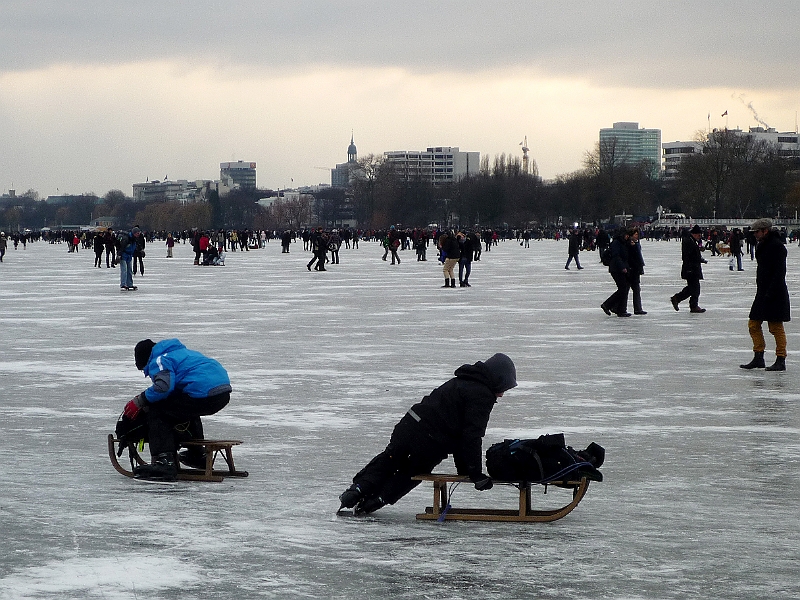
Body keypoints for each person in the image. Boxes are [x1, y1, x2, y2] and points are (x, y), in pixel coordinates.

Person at [338, 353, 517, 515]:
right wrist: (476, 474)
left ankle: (356, 490)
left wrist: (466, 470)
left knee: (390, 458)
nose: (501, 394)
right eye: (504, 388)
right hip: (430, 440)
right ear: (498, 378)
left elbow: (459, 433)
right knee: (413, 471)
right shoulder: (482, 395)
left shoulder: (463, 381)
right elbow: (471, 436)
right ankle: (374, 502)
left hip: (409, 424)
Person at [122, 338, 232, 480]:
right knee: (182, 410)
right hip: (221, 393)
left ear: (145, 360)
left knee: (157, 412)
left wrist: (140, 401)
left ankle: (164, 462)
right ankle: (197, 454)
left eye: (145, 370)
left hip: (203, 392)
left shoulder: (159, 360)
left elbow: (163, 387)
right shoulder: (180, 353)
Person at [740, 219, 791, 371]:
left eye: (757, 232)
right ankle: (758, 356)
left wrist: (771, 292)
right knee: (753, 324)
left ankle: (781, 359)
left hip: (775, 293)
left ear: (765, 231)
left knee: (775, 327)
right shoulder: (762, 245)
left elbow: (779, 273)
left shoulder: (777, 247)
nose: (755, 234)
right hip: (762, 292)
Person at [670, 224, 707, 313]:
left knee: (694, 288)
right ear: (694, 234)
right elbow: (688, 255)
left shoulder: (692, 241)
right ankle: (679, 299)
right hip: (691, 269)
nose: (700, 237)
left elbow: (693, 253)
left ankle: (691, 304)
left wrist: (699, 255)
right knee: (694, 288)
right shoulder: (688, 241)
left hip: (693, 268)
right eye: (699, 235)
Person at [600, 228, 632, 317]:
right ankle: (608, 304)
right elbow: (616, 256)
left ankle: (619, 309)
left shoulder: (623, 242)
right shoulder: (616, 243)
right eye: (626, 235)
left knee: (623, 289)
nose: (627, 236)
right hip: (616, 269)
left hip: (621, 268)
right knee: (622, 289)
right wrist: (622, 267)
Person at [627, 227, 647, 315]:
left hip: (636, 268)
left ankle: (638, 308)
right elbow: (634, 257)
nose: (637, 236)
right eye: (635, 234)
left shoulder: (636, 243)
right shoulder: (630, 244)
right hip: (632, 269)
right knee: (634, 289)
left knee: (635, 289)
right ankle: (638, 309)